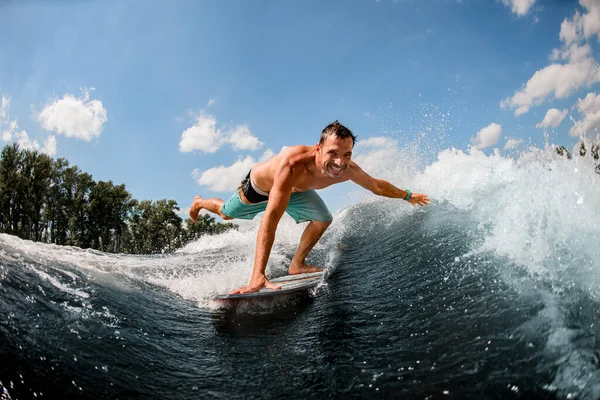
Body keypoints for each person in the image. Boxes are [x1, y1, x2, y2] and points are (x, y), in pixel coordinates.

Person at [189, 121, 430, 294]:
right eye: (332, 153)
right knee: (225, 214)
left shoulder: (348, 168)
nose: (339, 162)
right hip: (260, 188)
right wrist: (258, 276)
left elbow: (376, 185)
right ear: (318, 149)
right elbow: (270, 219)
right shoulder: (292, 165)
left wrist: (407, 195)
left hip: (297, 192)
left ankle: (297, 265)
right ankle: (200, 202)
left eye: (346, 154)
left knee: (323, 218)